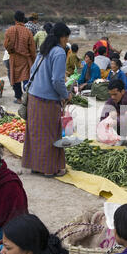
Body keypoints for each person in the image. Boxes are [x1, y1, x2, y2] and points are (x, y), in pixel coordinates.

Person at [22, 22, 72, 178]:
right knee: (50, 134)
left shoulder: (44, 50)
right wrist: (65, 95)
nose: (66, 41)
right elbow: (57, 80)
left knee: (36, 133)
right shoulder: (59, 52)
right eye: (66, 38)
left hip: (33, 98)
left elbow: (32, 72)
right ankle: (50, 169)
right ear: (62, 37)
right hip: (47, 100)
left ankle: (36, 166)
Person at [4, 10, 36, 104]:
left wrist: (11, 51)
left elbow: (6, 45)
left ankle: (18, 98)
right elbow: (32, 49)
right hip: (25, 59)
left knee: (15, 78)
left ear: (15, 19)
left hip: (14, 58)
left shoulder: (10, 30)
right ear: (23, 19)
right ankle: (27, 99)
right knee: (26, 78)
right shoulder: (28, 32)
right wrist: (33, 59)